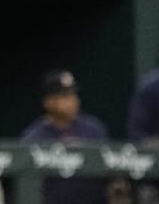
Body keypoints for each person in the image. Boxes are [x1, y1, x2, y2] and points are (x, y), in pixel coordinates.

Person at [21, 70, 107, 204]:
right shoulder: (34, 137)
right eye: (65, 96)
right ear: (48, 101)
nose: (73, 100)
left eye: (73, 94)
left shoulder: (94, 130)